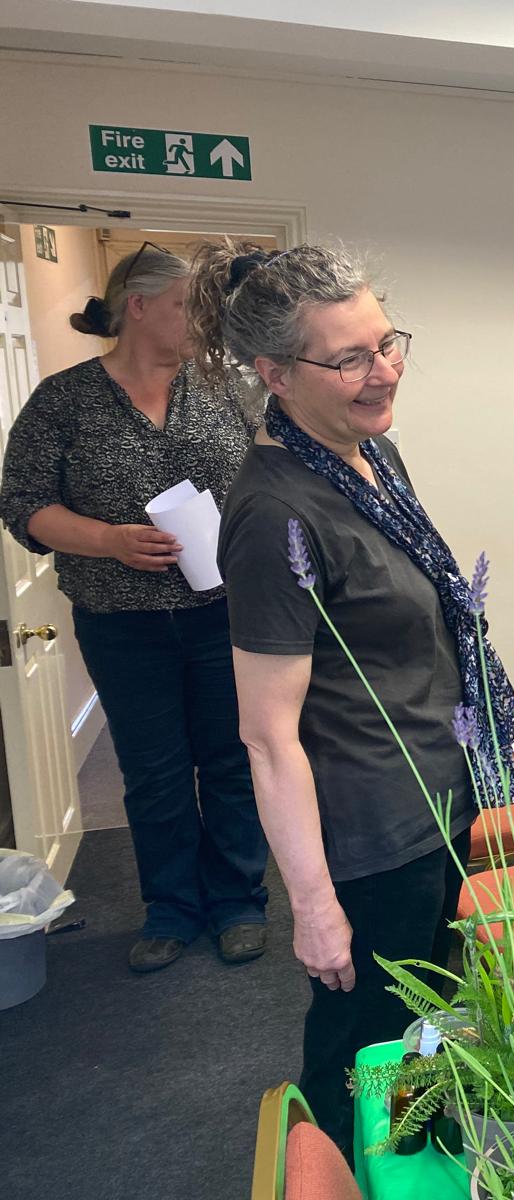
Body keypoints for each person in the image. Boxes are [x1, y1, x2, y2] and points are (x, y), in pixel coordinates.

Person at [194, 241, 514, 1155]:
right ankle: (344, 1169)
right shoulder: (274, 515)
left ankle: (418, 1156)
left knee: (424, 1023)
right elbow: (265, 736)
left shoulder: (368, 454)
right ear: (273, 374)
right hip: (370, 830)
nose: (383, 372)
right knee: (361, 1046)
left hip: (431, 794)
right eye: (348, 358)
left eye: (387, 343)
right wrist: (311, 904)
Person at [0, 241, 268, 974]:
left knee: (230, 762)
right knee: (154, 771)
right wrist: (107, 540)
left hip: (223, 616)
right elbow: (22, 505)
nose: (200, 322)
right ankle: (172, 910)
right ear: (139, 307)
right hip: (121, 623)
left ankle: (241, 902)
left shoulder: (225, 390)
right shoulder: (64, 399)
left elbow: (270, 477)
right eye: (188, 306)